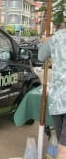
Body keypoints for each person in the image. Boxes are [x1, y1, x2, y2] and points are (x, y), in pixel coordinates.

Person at [38, 20, 66, 159]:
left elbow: (41, 56)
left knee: (62, 143)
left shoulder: (55, 38)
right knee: (63, 147)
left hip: (57, 100)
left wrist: (46, 40)